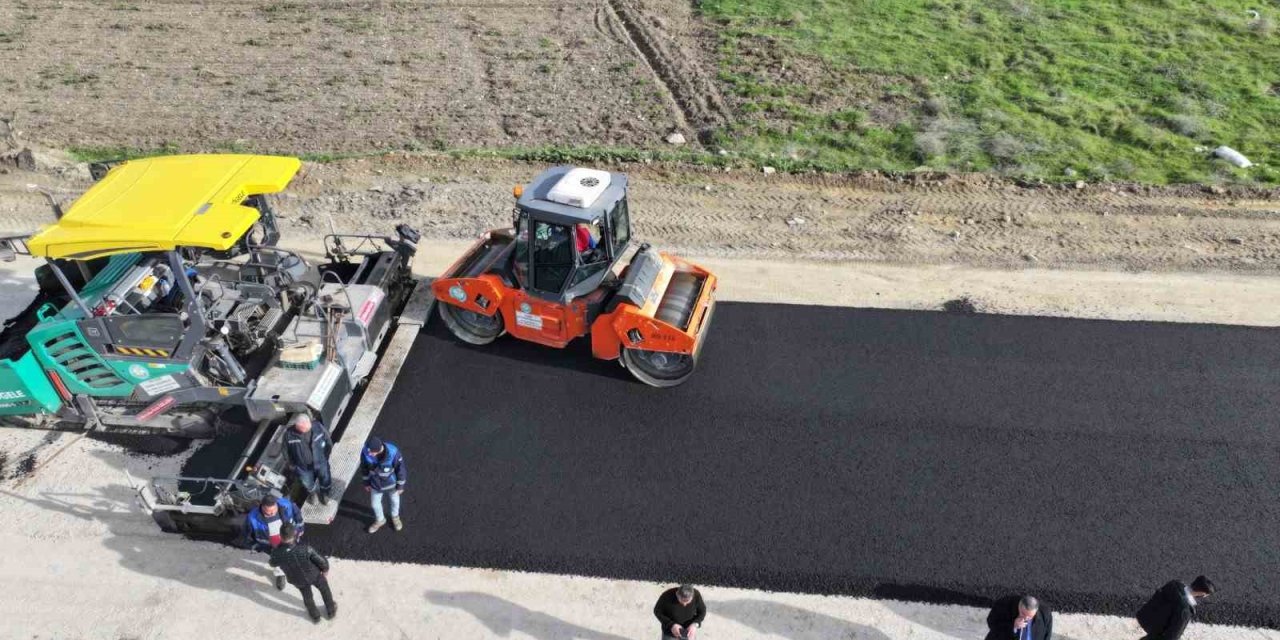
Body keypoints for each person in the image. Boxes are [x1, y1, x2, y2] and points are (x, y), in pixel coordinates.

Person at [269, 523, 337, 624]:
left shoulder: (277, 553)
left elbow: (272, 563)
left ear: (280, 536)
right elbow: (321, 561)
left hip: (297, 579)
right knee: (324, 590)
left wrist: (278, 550)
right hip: (314, 575)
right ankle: (331, 611)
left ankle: (315, 615)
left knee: (307, 597)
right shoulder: (305, 548)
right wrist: (325, 570)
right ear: (295, 533)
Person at [243, 494, 304, 590]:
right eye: (268, 513)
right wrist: (255, 546)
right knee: (278, 561)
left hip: (290, 540)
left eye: (273, 511)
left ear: (276, 505)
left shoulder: (287, 505)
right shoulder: (252, 518)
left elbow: (297, 515)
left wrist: (300, 528)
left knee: (294, 555)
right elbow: (248, 535)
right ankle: (280, 574)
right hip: (271, 547)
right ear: (262, 507)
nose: (272, 514)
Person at [1136, 575, 1215, 640]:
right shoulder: (1185, 611)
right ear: (1201, 593)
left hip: (1145, 617)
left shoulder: (1174, 584)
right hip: (1155, 631)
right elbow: (1173, 636)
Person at [283, 413, 333, 505]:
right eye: (304, 429)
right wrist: (292, 466)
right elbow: (285, 452)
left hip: (321, 462)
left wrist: (325, 456)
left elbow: (328, 441)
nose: (307, 430)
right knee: (307, 483)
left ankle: (325, 493)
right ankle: (313, 494)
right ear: (297, 426)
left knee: (325, 479)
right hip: (303, 467)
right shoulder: (289, 435)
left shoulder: (317, 427)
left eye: (308, 428)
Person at [361, 436, 406, 533]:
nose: (369, 454)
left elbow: (400, 469)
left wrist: (400, 485)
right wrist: (366, 483)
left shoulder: (393, 452)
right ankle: (380, 519)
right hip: (375, 484)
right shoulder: (366, 452)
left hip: (391, 483)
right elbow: (364, 468)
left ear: (378, 450)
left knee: (395, 501)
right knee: (374, 504)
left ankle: (395, 516)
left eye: (371, 452)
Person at [986, 594, 1053, 640]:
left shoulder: (1045, 613)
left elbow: (1047, 635)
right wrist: (1013, 626)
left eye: (1030, 617)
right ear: (1019, 605)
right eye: (1023, 614)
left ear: (1036, 611)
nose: (1025, 618)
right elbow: (991, 623)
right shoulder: (1003, 605)